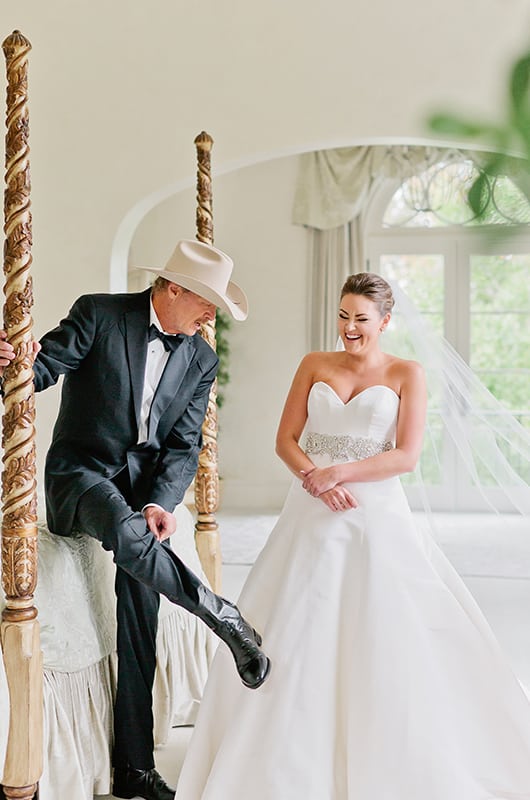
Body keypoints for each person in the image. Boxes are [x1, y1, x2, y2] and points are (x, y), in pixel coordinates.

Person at [174, 272, 530, 800]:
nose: (349, 328)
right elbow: (285, 439)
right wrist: (313, 479)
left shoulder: (407, 373)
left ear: (385, 321)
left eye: (361, 319)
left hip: (372, 512)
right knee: (295, 614)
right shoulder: (314, 364)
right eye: (343, 316)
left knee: (383, 620)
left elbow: (406, 456)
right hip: (310, 508)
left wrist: (339, 474)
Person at [0, 239, 270, 800]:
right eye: (205, 303)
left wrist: (161, 503)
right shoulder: (99, 314)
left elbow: (182, 446)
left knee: (141, 608)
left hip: (139, 495)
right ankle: (222, 618)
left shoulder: (200, 357)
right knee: (126, 531)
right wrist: (16, 362)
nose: (209, 317)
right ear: (173, 288)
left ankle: (134, 767)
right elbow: (43, 368)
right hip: (80, 478)